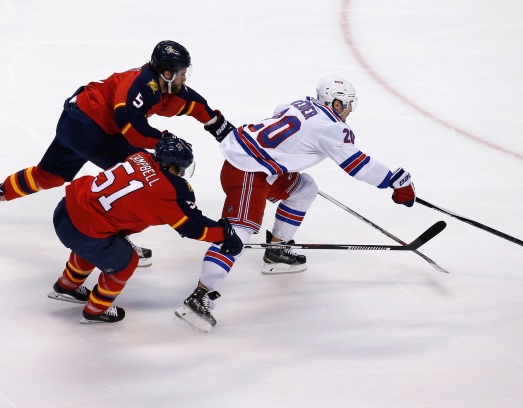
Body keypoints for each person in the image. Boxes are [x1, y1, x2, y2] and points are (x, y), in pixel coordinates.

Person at [174, 75, 416, 332]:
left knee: (304, 188)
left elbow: (279, 114)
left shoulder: (303, 104)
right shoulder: (331, 128)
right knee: (238, 233)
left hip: (260, 167)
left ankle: (276, 251)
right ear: (335, 103)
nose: (349, 111)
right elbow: (356, 164)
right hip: (247, 172)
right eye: (347, 104)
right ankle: (199, 296)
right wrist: (393, 180)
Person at [0, 40, 235, 267]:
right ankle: (111, 239)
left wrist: (219, 126)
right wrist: (163, 140)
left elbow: (192, 102)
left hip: (77, 120)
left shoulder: (159, 85)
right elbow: (133, 130)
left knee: (48, 175)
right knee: (140, 175)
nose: (184, 78)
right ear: (166, 73)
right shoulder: (141, 86)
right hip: (91, 129)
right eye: (180, 73)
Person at [47, 136, 243, 324]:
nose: (181, 173)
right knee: (126, 261)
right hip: (85, 232)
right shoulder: (168, 192)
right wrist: (224, 235)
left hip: (66, 211)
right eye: (179, 168)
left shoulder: (138, 156)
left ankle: (67, 286)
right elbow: (194, 227)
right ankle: (96, 310)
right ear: (172, 166)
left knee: (99, 244)